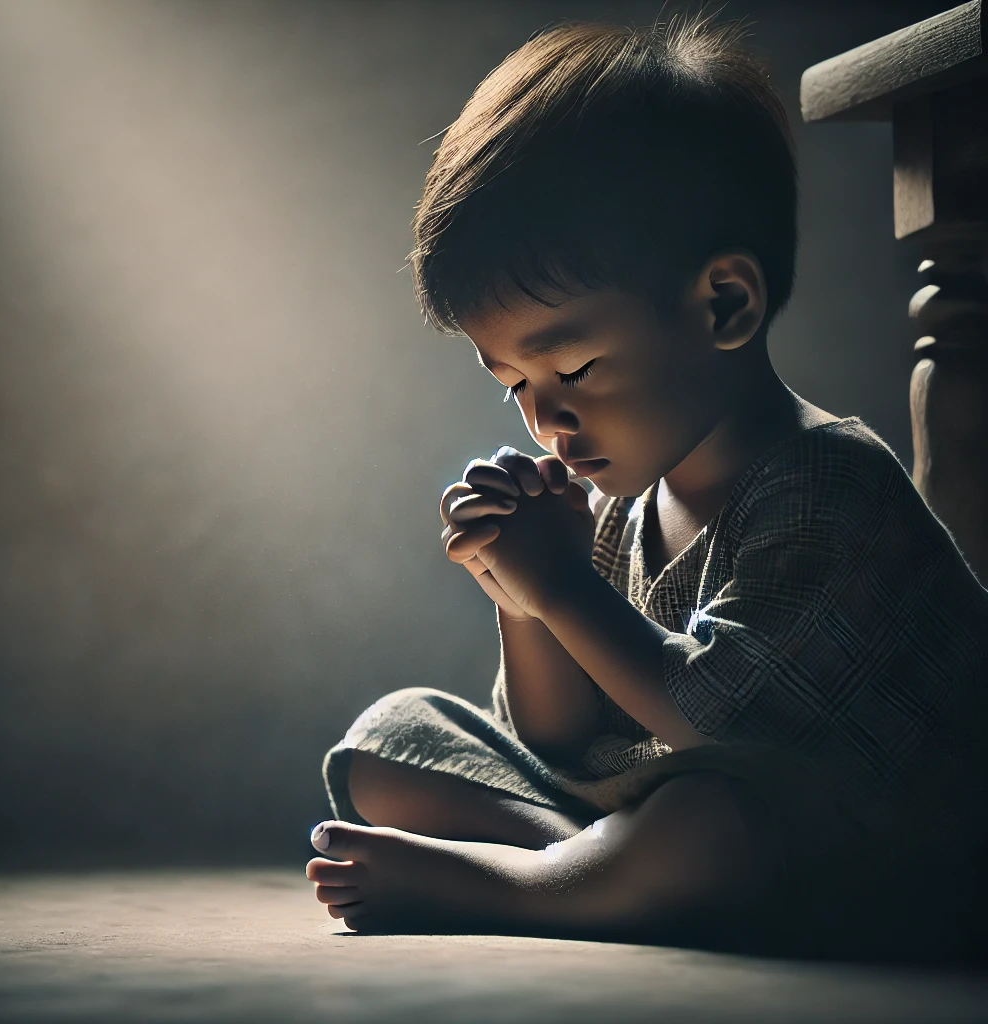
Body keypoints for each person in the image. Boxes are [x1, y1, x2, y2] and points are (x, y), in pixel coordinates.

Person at [306, 11, 988, 960]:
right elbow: (557, 737)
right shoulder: (627, 499)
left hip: (877, 838)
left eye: (574, 369)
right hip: (675, 794)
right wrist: (521, 594)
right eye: (513, 386)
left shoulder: (827, 482)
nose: (544, 419)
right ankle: (598, 871)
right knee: (391, 738)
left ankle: (527, 886)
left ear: (723, 304)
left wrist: (562, 586)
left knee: (708, 819)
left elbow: (721, 721)